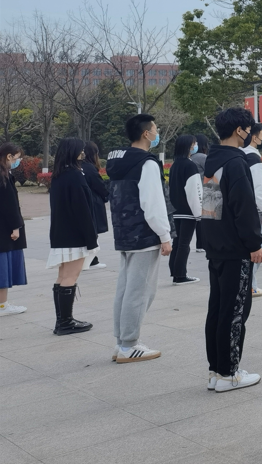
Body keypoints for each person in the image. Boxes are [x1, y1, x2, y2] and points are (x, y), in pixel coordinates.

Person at [202, 106, 262, 392]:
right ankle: (229, 373)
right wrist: (254, 243)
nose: (249, 134)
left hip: (217, 247)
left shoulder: (213, 161)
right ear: (239, 130)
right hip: (236, 249)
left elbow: (210, 208)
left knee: (218, 310)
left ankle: (216, 370)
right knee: (236, 311)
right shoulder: (236, 162)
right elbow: (244, 208)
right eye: (248, 130)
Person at [106, 113, 173, 363]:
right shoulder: (147, 163)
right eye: (155, 129)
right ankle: (129, 345)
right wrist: (164, 235)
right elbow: (153, 202)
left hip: (124, 232)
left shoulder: (118, 161)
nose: (157, 132)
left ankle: (121, 342)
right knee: (141, 291)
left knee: (125, 290)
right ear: (146, 133)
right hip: (144, 234)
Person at [48, 137, 98, 334]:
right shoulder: (75, 176)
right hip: (75, 234)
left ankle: (62, 320)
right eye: (80, 150)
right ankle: (65, 322)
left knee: (62, 275)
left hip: (60, 232)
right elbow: (83, 209)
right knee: (70, 276)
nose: (83, 154)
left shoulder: (58, 175)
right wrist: (91, 237)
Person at [167, 135, 202, 284]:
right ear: (189, 146)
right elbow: (194, 191)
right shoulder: (190, 165)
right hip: (188, 211)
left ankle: (175, 272)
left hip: (176, 211)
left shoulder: (175, 165)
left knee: (177, 243)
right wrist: (198, 213)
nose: (195, 146)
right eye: (194, 143)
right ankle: (181, 275)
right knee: (184, 244)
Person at [243, 124, 262, 297]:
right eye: (261, 136)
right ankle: (251, 286)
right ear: (254, 137)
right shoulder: (253, 157)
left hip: (244, 209)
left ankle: (248, 284)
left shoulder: (240, 154)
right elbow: (259, 186)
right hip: (256, 210)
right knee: (257, 249)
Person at [0, 143, 28, 317]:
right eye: (17, 158)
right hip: (4, 229)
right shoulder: (3, 176)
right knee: (2, 267)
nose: (18, 161)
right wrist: (16, 227)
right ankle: (2, 305)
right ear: (9, 156)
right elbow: (9, 205)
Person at [81, 141, 110, 269]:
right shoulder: (89, 168)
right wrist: (106, 195)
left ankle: (93, 260)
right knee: (92, 232)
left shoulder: (77, 166)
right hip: (92, 203)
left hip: (83, 203)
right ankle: (89, 261)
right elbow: (99, 186)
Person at [192, 134, 210, 253]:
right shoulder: (203, 157)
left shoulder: (191, 157)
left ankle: (200, 244)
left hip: (195, 191)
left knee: (198, 220)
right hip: (204, 190)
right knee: (205, 220)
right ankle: (204, 243)